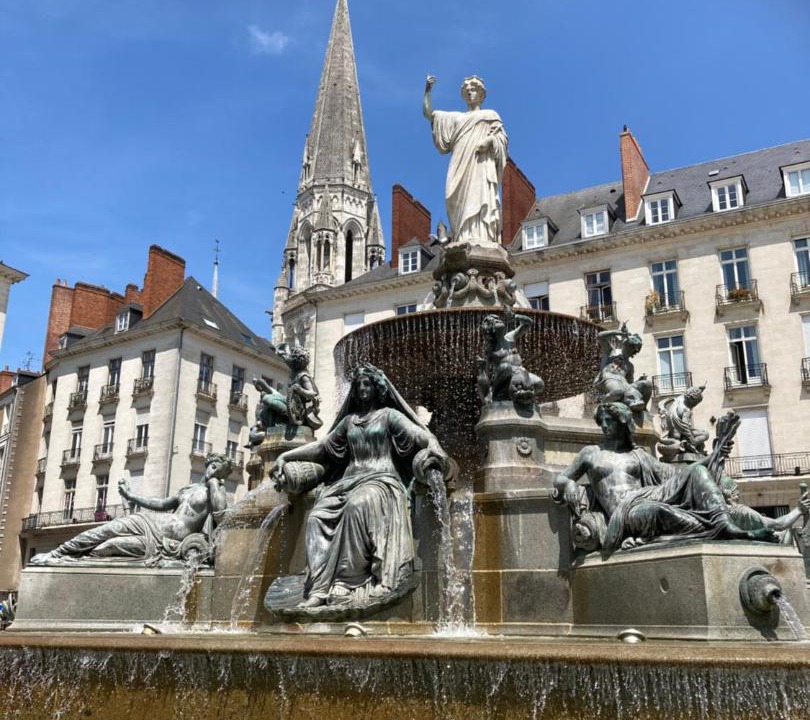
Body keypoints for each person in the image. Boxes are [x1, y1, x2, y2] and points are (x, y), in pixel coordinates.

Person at [272, 363, 450, 609]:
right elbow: (321, 447)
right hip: (347, 482)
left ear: (376, 388)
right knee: (316, 517)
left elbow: (419, 434)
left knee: (357, 505)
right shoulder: (349, 421)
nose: (363, 388)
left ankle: (347, 581)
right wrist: (287, 456)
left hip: (381, 481)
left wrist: (434, 444)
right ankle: (319, 588)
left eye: (367, 384)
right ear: (354, 391)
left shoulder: (389, 415)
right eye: (358, 385)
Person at [553, 402, 776, 553]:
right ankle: (719, 528)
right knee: (657, 511)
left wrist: (718, 447)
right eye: (601, 421)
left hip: (646, 495)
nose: (603, 426)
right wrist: (569, 484)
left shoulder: (638, 455)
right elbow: (561, 479)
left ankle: (726, 526)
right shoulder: (591, 453)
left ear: (622, 423)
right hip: (625, 512)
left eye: (609, 420)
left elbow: (676, 474)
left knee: (696, 471)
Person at [30, 453, 232, 566]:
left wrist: (215, 484)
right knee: (106, 529)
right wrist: (131, 496)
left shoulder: (218, 492)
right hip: (149, 522)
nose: (211, 471)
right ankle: (56, 553)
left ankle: (73, 560)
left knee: (109, 546)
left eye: (217, 469)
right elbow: (162, 504)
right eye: (211, 466)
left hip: (166, 542)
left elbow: (221, 516)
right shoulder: (188, 489)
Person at [423, 75, 508, 245]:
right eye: (467, 91)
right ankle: (462, 236)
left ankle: (481, 236)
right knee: (453, 197)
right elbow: (428, 113)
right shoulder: (456, 118)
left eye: (473, 90)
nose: (470, 93)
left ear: (481, 94)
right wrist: (427, 90)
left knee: (480, 195)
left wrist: (489, 141)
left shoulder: (490, 115)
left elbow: (502, 141)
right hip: (459, 164)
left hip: (481, 164)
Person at [479, 309, 543, 406]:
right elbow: (488, 370)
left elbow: (529, 323)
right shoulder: (491, 347)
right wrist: (486, 388)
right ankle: (494, 391)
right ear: (491, 329)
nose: (499, 320)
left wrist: (515, 317)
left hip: (520, 371)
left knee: (539, 384)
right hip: (503, 374)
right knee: (506, 367)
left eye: (499, 319)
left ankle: (523, 397)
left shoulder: (510, 337)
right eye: (495, 321)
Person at [594, 323, 652, 412]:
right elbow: (600, 336)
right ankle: (601, 407)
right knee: (618, 392)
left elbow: (629, 383)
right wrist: (618, 332)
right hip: (608, 379)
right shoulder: (611, 353)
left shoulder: (630, 366)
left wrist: (639, 381)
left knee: (647, 384)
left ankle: (643, 409)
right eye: (629, 346)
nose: (630, 349)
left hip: (624, 384)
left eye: (632, 348)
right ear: (625, 345)